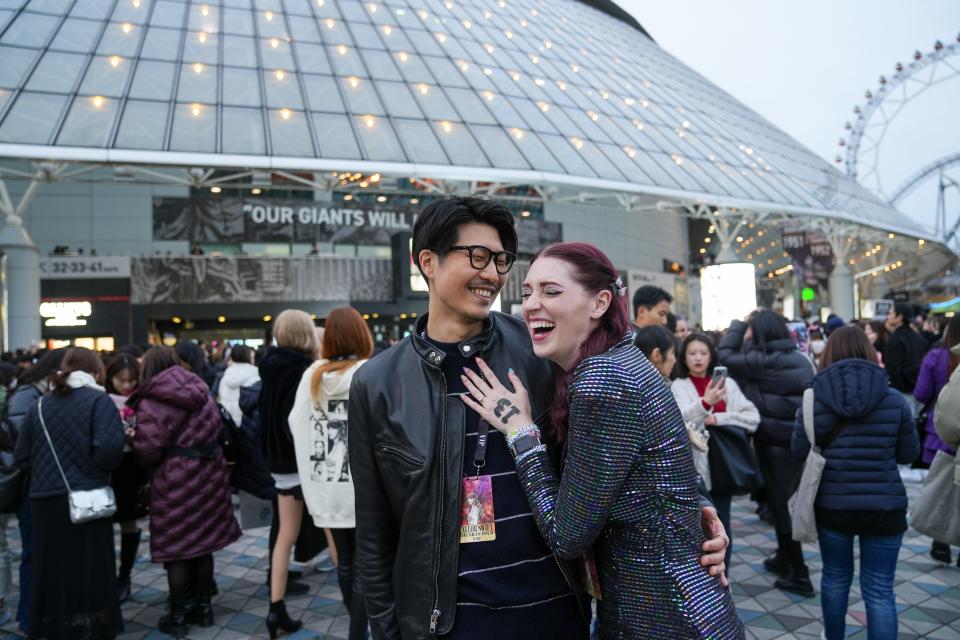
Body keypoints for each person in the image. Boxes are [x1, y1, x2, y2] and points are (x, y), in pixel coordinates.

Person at [349, 196, 730, 640]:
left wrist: (691, 507)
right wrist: (389, 630)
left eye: (500, 260)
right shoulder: (377, 384)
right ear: (427, 262)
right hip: (449, 624)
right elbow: (374, 535)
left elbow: (624, 440)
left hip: (557, 611)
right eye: (477, 256)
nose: (492, 274)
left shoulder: (541, 350)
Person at [459, 242, 743, 638]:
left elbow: (567, 534)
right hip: (683, 609)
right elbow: (652, 467)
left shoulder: (602, 379)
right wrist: (694, 505)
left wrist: (520, 431)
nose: (531, 305)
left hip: (665, 620)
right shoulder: (620, 360)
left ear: (599, 303)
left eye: (551, 291)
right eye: (527, 293)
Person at [791, 325, 919, 640]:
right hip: (885, 506)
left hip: (832, 505)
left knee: (834, 577)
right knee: (879, 589)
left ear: (828, 353)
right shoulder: (894, 400)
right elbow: (908, 454)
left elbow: (798, 449)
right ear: (869, 351)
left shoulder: (813, 398)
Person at [14, 348, 125, 639]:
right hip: (87, 499)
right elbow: (109, 451)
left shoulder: (40, 404)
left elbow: (21, 456)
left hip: (44, 500)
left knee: (52, 567)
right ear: (96, 372)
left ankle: (55, 626)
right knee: (91, 567)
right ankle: (92, 627)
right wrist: (90, 469)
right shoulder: (98, 400)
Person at [131, 346, 241, 637]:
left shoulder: (153, 399)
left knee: (177, 547)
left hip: (174, 479)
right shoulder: (200, 388)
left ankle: (178, 614)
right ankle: (204, 609)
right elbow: (216, 426)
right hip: (210, 473)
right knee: (203, 544)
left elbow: (147, 450)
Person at [718, 310, 816, 595]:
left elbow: (724, 354)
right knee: (781, 504)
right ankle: (784, 559)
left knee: (782, 508)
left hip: (772, 445)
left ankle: (799, 573)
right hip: (796, 443)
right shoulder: (800, 358)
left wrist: (739, 322)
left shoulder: (762, 361)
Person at [289, 307, 373, 640]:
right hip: (364, 487)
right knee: (369, 565)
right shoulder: (370, 372)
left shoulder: (313, 374)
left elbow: (295, 424)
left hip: (326, 486)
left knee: (347, 562)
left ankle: (358, 623)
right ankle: (360, 630)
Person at [671, 332, 760, 569]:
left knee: (723, 525)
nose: (698, 358)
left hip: (724, 464)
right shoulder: (679, 385)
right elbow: (677, 422)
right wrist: (704, 404)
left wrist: (718, 418)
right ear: (683, 357)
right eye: (692, 353)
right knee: (698, 527)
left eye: (703, 353)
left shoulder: (726, 384)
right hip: (695, 468)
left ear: (712, 356)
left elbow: (752, 418)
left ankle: (723, 578)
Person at [259, 309, 319, 638]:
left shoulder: (269, 367)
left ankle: (275, 607)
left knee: (284, 536)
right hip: (303, 463)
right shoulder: (304, 370)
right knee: (336, 536)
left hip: (278, 465)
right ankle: (359, 612)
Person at [7, 348, 65, 634]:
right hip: (32, 486)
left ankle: (43, 614)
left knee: (46, 553)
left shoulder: (40, 393)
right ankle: (29, 617)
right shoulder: (28, 394)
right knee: (33, 553)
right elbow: (23, 442)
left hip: (46, 484)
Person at [912, 314, 960, 564]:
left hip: (939, 433)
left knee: (942, 485)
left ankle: (940, 540)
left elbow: (921, 392)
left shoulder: (937, 357)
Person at [105, 353, 146, 603]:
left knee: (129, 521)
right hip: (108, 466)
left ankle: (125, 575)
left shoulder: (143, 399)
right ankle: (108, 576)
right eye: (122, 380)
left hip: (133, 466)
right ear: (111, 378)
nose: (127, 385)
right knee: (105, 524)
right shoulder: (101, 399)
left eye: (132, 380)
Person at [883, 302, 928, 405]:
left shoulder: (894, 340)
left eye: (890, 313)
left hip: (901, 394)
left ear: (899, 317)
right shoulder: (920, 339)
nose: (888, 316)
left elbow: (891, 371)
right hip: (921, 392)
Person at [216, 345, 259, 426]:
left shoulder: (227, 373)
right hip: (247, 422)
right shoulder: (255, 373)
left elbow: (221, 395)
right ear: (248, 356)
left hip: (227, 420)